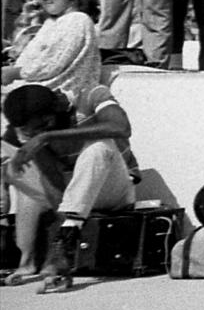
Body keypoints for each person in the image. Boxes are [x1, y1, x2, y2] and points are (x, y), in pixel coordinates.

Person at [2, 81, 138, 293]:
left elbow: (121, 127)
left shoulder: (91, 95)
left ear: (58, 106)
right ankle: (27, 261)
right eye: (34, 132)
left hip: (112, 190)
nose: (39, 134)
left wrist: (46, 137)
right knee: (13, 167)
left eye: (43, 126)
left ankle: (65, 241)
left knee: (100, 146)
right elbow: (53, 181)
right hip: (72, 198)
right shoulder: (32, 131)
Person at [1, 0, 103, 105]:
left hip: (54, 97)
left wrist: (16, 73)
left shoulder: (78, 20)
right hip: (33, 90)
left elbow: (53, 63)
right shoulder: (53, 23)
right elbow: (18, 55)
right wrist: (25, 21)